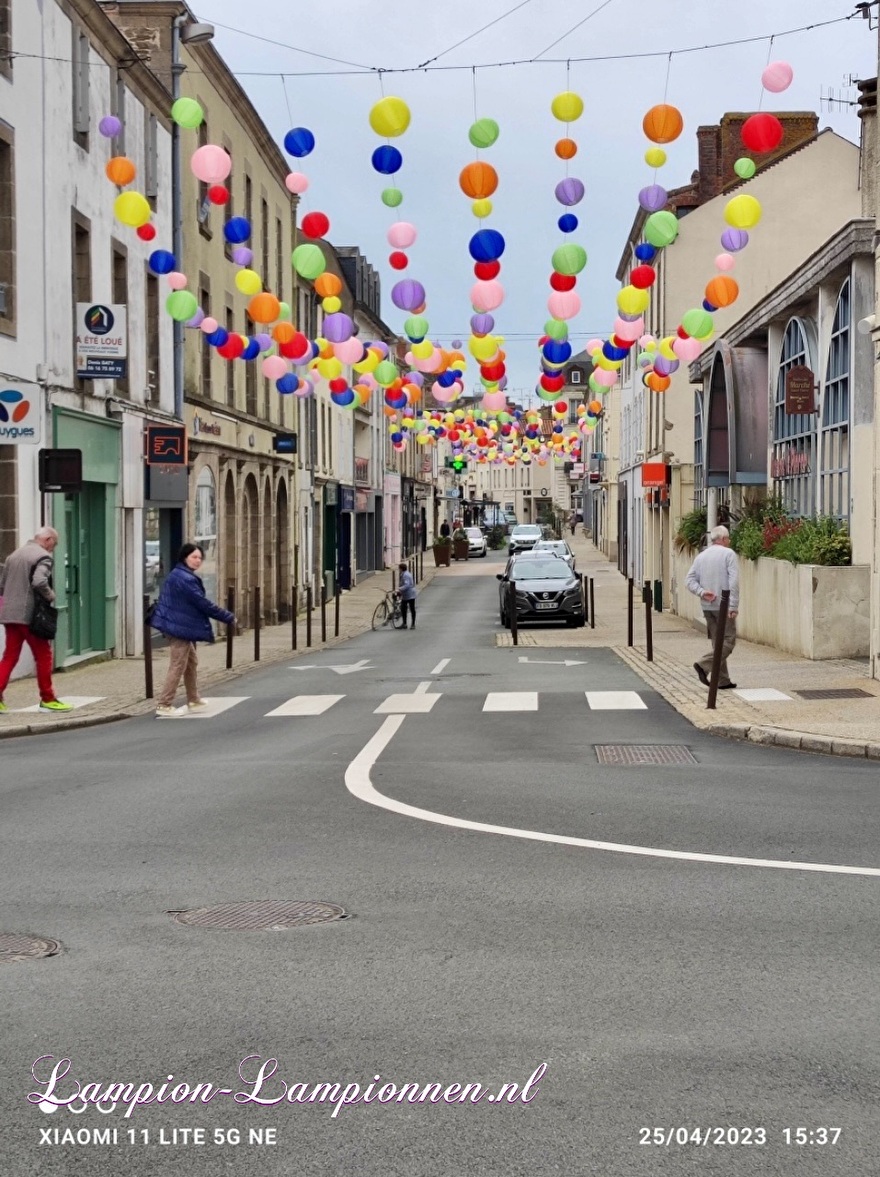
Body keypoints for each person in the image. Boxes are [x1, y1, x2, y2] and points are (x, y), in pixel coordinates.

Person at [151, 543, 236, 717]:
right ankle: (164, 704)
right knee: (178, 664)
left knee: (191, 662)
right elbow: (203, 603)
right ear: (185, 558)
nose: (198, 561)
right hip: (178, 627)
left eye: (199, 558)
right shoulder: (185, 579)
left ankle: (194, 699)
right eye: (194, 557)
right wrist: (227, 617)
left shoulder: (180, 574)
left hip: (178, 624)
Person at [0, 527, 72, 712]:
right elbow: (39, 581)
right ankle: (48, 699)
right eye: (53, 544)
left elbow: (2, 585)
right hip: (31, 616)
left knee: (9, 656)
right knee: (44, 655)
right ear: (47, 539)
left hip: (9, 614)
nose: (52, 549)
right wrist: (50, 595)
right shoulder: (42, 557)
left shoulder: (13, 556)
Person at [686, 524, 740, 690]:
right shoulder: (728, 554)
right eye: (728, 538)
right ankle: (703, 664)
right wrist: (733, 605)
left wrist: (702, 592)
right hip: (723, 605)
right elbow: (734, 581)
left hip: (708, 606)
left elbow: (689, 581)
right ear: (723, 539)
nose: (729, 541)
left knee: (718, 643)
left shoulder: (701, 556)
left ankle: (722, 680)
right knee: (728, 641)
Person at [397, 562, 416, 630]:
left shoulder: (406, 575)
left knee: (411, 608)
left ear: (401, 569)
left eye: (399, 568)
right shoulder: (406, 573)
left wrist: (399, 589)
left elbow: (407, 585)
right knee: (403, 609)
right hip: (407, 594)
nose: (398, 570)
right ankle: (404, 623)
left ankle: (412, 624)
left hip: (409, 594)